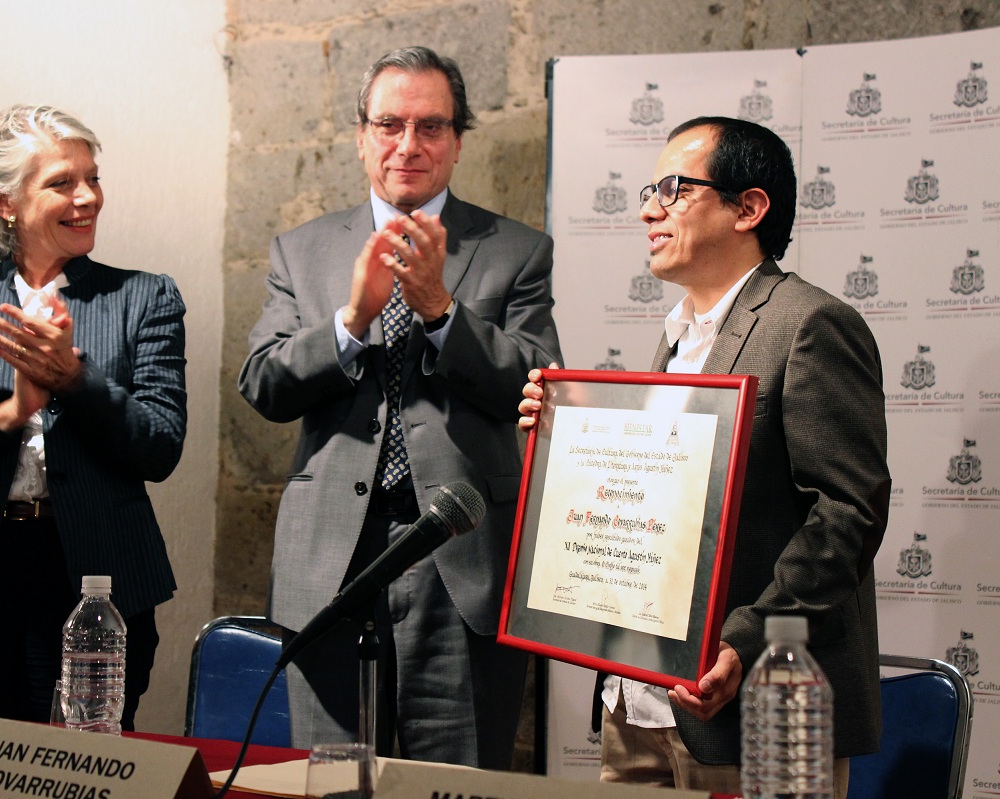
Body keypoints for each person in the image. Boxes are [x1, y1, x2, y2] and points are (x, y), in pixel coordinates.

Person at [520, 117, 890, 796]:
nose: (648, 210)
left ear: (748, 207)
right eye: (648, 192)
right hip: (636, 701)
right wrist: (558, 444)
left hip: (753, 706)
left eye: (673, 189)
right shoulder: (675, 338)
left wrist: (745, 641)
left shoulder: (809, 324)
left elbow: (848, 513)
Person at [239, 46, 561, 767]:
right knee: (330, 777)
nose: (408, 144)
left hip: (459, 554)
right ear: (362, 137)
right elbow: (262, 384)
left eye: (431, 126)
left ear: (457, 141)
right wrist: (351, 320)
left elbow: (535, 381)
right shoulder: (302, 250)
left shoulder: (516, 250)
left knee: (456, 777)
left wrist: (442, 310)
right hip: (331, 558)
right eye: (389, 124)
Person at [0, 105, 187, 729]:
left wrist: (73, 379)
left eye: (92, 178)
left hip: (96, 587)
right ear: (5, 202)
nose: (88, 197)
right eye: (62, 183)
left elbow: (160, 446)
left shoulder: (143, 298)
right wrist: (12, 411)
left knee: (82, 766)